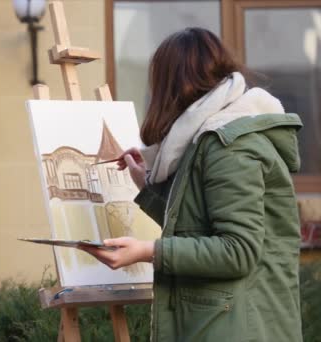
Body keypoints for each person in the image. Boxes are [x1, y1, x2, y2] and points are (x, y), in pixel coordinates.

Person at [80, 27, 303, 341]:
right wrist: (146, 186)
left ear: (176, 83)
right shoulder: (209, 138)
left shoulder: (229, 146)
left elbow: (237, 251)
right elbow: (197, 227)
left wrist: (148, 251)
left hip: (238, 327)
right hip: (226, 322)